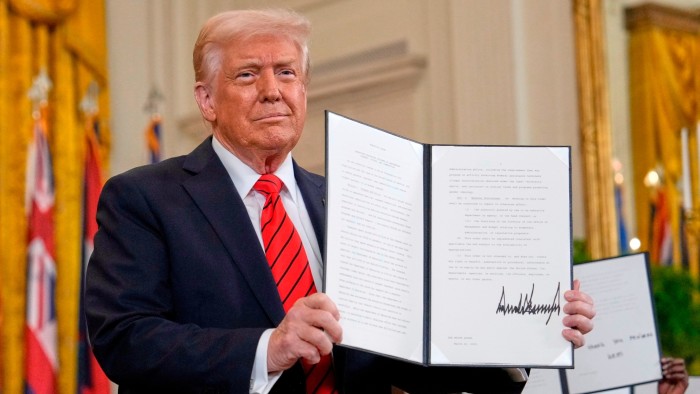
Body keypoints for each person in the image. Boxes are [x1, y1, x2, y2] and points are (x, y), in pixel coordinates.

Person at [85, 8, 596, 394]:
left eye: (287, 73)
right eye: (247, 75)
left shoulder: (352, 202)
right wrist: (270, 348)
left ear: (304, 90)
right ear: (206, 101)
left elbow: (402, 348)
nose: (272, 91)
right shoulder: (144, 198)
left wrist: (526, 332)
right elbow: (126, 340)